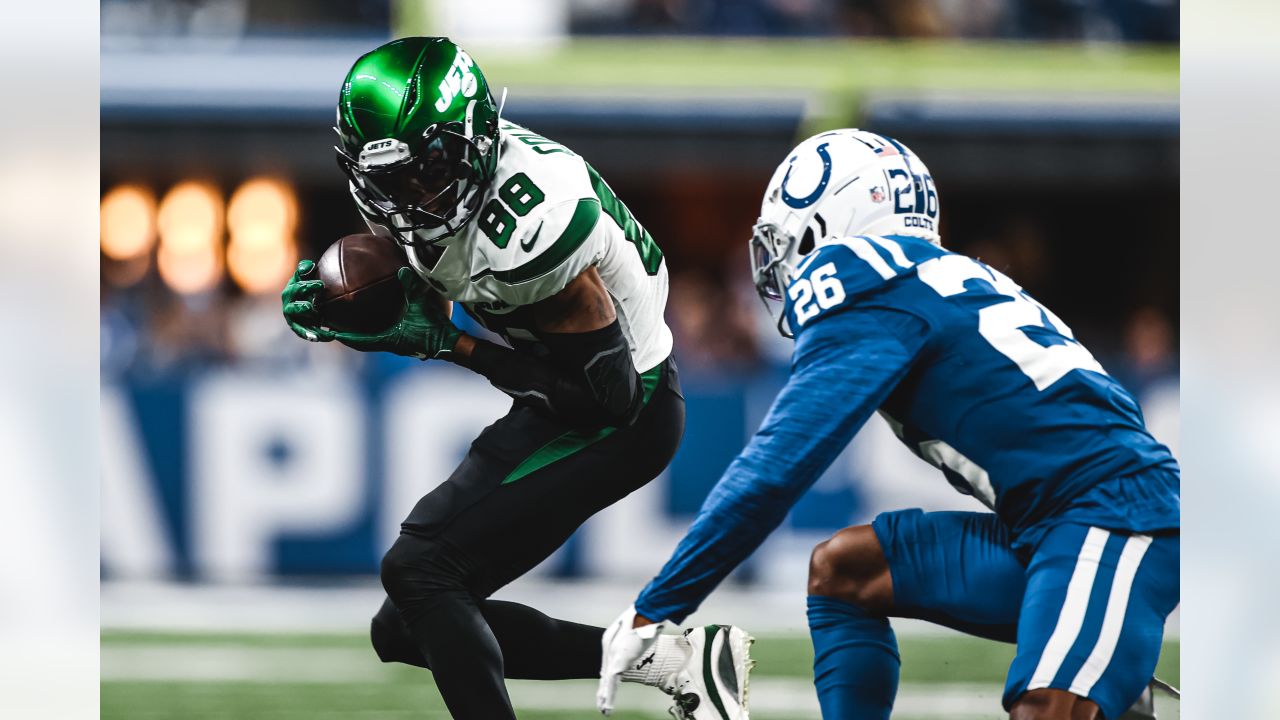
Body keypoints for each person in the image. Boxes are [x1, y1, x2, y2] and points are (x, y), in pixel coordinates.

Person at [598, 129, 1180, 720]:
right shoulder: (935, 274)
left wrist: (656, 609)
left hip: (1111, 517)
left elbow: (776, 468)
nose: (777, 263)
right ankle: (1112, 677)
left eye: (784, 239)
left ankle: (1104, 672)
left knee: (1043, 710)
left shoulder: (860, 275)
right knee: (847, 570)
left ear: (829, 221)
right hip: (1055, 523)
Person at [280, 37, 750, 720]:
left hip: (625, 407)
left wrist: (449, 346)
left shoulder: (533, 228)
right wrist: (354, 298)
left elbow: (602, 401)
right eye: (392, 180)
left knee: (422, 570)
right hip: (574, 390)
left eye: (429, 170)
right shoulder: (431, 186)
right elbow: (433, 275)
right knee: (406, 623)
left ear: (474, 145)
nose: (413, 197)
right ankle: (679, 664)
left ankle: (671, 662)